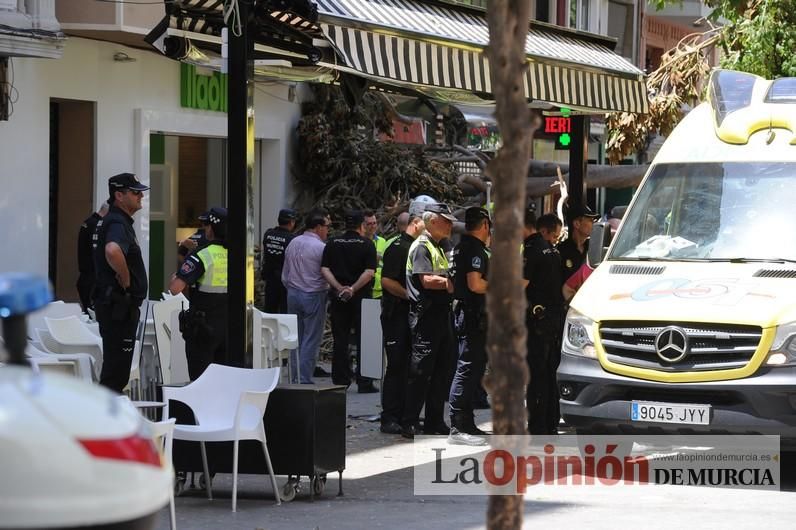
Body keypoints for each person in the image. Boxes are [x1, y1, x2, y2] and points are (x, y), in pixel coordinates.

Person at [402, 203, 457, 438]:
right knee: (421, 372)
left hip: (442, 314)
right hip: (426, 317)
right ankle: (409, 421)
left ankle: (434, 420)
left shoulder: (441, 246)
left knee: (442, 370)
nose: (450, 225)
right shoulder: (422, 246)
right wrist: (448, 283)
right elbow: (425, 280)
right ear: (432, 221)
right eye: (446, 220)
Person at [93, 173, 149, 393]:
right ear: (119, 195)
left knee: (115, 372)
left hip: (117, 306)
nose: (140, 196)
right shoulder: (117, 221)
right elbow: (112, 250)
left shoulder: (115, 220)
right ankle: (104, 424)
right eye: (135, 192)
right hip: (118, 306)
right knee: (115, 375)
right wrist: (125, 278)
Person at [168, 207, 229, 381]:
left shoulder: (202, 254)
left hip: (203, 327)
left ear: (211, 228)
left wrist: (178, 276)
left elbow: (175, 288)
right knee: (223, 380)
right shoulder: (237, 254)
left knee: (201, 380)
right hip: (229, 327)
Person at [448, 207, 492, 446]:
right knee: (466, 369)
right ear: (484, 224)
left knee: (473, 369)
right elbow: (475, 284)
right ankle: (457, 427)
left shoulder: (458, 247)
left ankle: (467, 423)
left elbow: (450, 285)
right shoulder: (474, 249)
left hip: (468, 313)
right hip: (473, 315)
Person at [321, 209, 378, 392]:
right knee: (364, 339)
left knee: (340, 338)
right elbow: (369, 272)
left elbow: (325, 269)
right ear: (362, 225)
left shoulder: (332, 242)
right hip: (361, 298)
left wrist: (339, 288)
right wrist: (353, 288)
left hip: (339, 298)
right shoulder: (367, 244)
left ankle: (340, 380)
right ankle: (364, 382)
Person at [379, 212, 425, 434]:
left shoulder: (417, 246)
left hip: (410, 316)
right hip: (396, 314)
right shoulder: (398, 246)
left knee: (410, 367)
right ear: (415, 223)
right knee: (396, 366)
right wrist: (411, 295)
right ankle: (389, 417)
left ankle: (405, 415)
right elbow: (387, 280)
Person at [522, 211, 565, 434]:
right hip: (554, 319)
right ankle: (551, 423)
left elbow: (520, 283)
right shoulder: (554, 251)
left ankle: (537, 425)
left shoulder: (531, 249)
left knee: (536, 374)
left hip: (537, 321)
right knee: (550, 372)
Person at [282, 209, 330, 384]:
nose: (327, 230)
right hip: (314, 294)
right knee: (311, 338)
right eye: (326, 227)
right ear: (318, 227)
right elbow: (325, 273)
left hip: (293, 294)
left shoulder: (293, 243)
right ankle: (304, 377)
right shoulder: (320, 247)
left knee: (297, 337)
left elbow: (285, 275)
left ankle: (295, 376)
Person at [261, 208, 298, 313]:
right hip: (285, 281)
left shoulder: (268, 234)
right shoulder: (292, 239)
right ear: (291, 222)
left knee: (269, 311)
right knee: (284, 313)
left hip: (270, 279)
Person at [76, 201, 108, 314]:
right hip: (92, 279)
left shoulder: (87, 222)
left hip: (85, 277)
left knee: (87, 312)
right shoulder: (97, 226)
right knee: (93, 316)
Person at [557, 203, 599, 283]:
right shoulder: (561, 251)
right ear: (577, 224)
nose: (594, 224)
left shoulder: (594, 249)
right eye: (590, 221)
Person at [364, 210, 388, 299]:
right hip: (363, 289)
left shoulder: (382, 241)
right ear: (363, 225)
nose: (373, 226)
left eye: (374, 223)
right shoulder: (359, 242)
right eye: (369, 224)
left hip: (380, 291)